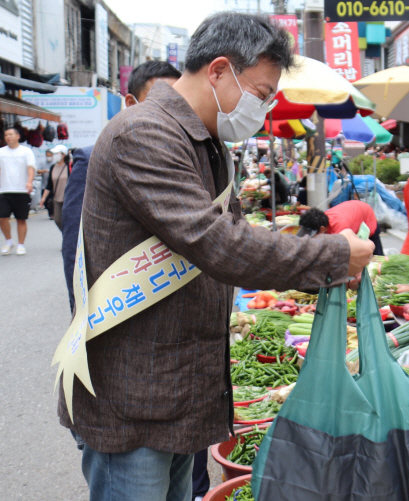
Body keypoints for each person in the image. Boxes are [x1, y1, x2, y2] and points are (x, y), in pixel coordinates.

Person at [58, 12, 373, 501]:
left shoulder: (209, 145)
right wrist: (331, 255)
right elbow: (217, 242)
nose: (265, 108)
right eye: (263, 93)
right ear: (220, 70)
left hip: (179, 391)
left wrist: (327, 271)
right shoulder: (143, 134)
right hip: (135, 400)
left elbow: (235, 235)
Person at [62, 60, 182, 312]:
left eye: (177, 104)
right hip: (115, 303)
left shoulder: (184, 158)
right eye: (159, 104)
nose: (171, 115)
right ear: (130, 103)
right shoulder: (93, 157)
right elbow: (75, 244)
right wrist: (80, 309)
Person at [298, 200, 383, 256]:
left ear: (322, 228)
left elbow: (345, 255)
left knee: (375, 256)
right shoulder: (321, 219)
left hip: (367, 217)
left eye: (314, 235)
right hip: (354, 209)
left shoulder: (340, 230)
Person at [0, 127, 36, 256]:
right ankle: (9, 241)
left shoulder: (26, 151)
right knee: (2, 217)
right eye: (5, 135)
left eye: (10, 134)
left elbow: (30, 167)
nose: (8, 137)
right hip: (4, 190)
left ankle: (21, 244)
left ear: (17, 136)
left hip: (21, 190)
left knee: (21, 219)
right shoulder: (1, 152)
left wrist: (29, 182)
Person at [39, 145, 70, 231]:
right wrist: (43, 198)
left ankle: (69, 239)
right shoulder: (53, 167)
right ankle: (66, 235)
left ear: (63, 155)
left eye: (57, 153)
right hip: (56, 198)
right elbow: (49, 185)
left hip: (68, 198)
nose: (54, 155)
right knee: (57, 220)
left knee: (69, 220)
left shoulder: (69, 166)